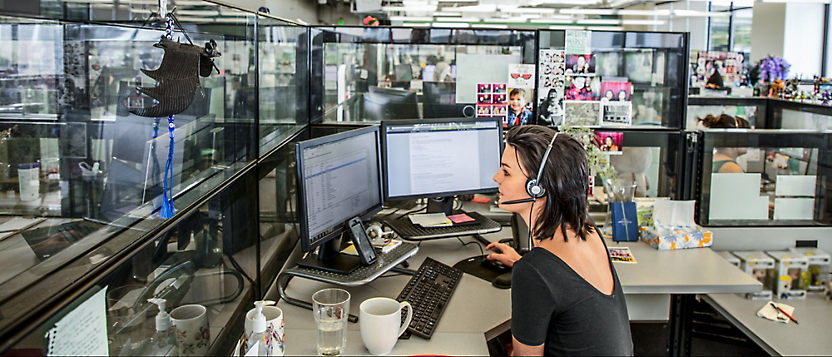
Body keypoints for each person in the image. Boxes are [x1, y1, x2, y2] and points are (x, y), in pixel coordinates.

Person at [486, 126, 633, 356]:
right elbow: (565, 283)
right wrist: (520, 263)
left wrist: (527, 270)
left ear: (537, 187)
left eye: (506, 172)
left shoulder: (534, 271)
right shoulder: (586, 227)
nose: (496, 178)